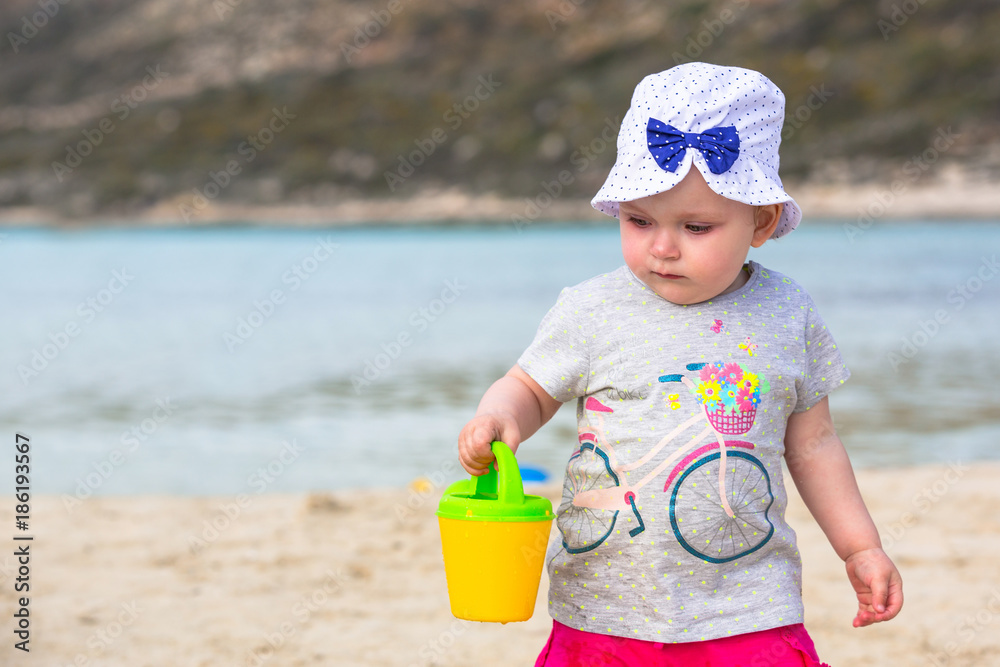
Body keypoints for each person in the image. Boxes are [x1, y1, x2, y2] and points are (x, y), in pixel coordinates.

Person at [457, 62, 903, 666]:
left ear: (762, 221)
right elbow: (530, 388)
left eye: (696, 226)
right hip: (607, 609)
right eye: (639, 221)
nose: (662, 247)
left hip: (749, 608)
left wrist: (859, 548)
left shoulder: (787, 311)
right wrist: (498, 416)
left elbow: (815, 444)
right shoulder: (592, 308)